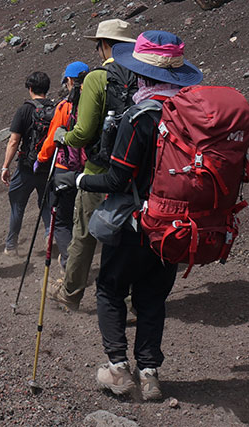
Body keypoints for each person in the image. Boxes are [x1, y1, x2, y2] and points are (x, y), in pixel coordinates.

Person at [54, 30, 203, 401]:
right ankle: (150, 374)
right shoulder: (193, 116)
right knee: (152, 297)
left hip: (137, 222)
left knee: (110, 288)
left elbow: (118, 178)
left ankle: (118, 368)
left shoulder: (139, 117)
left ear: (143, 74)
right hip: (176, 225)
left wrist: (79, 180)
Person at [50, 18, 138, 311]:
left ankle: (71, 293)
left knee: (84, 234)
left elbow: (84, 133)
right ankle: (133, 300)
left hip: (100, 169)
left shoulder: (97, 78)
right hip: (137, 172)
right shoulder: (143, 74)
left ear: (104, 46)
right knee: (132, 236)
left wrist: (64, 136)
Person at [35, 62, 88, 269]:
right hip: (91, 170)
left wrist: (41, 158)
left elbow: (52, 140)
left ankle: (70, 263)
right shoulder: (97, 102)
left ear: (70, 81)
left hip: (65, 169)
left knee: (61, 220)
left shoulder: (65, 107)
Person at [0, 71, 53, 255]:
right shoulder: (56, 109)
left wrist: (5, 166)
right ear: (47, 88)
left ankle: (11, 245)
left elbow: (13, 141)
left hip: (26, 167)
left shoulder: (24, 110)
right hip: (48, 166)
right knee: (46, 203)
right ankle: (49, 234)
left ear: (30, 89)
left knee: (17, 205)